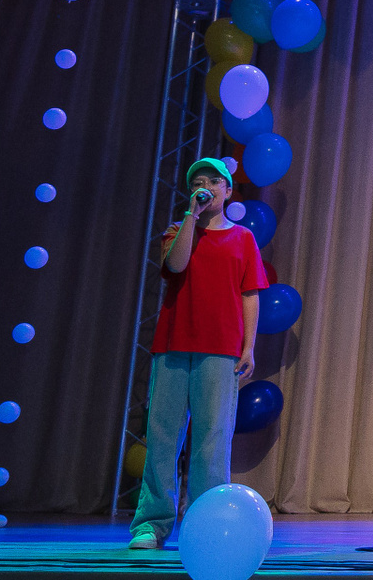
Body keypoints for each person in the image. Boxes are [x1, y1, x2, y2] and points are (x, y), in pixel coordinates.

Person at [130, 157, 267, 549]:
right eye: (197, 182)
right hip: (173, 344)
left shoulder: (243, 238)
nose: (204, 186)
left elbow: (250, 294)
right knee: (162, 437)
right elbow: (176, 265)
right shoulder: (177, 231)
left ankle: (206, 523)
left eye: (213, 181)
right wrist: (191, 216)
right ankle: (152, 524)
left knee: (212, 439)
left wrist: (248, 346)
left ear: (228, 190)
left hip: (221, 348)